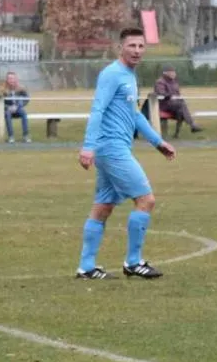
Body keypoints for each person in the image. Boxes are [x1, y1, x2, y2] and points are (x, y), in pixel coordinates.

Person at [75, 27, 176, 281]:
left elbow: (134, 114)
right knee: (146, 200)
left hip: (114, 147)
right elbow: (97, 109)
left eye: (141, 46)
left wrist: (157, 142)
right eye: (132, 45)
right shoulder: (112, 74)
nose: (137, 51)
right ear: (120, 47)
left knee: (103, 206)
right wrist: (88, 146)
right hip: (111, 148)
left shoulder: (130, 76)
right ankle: (133, 262)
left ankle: (86, 267)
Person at [151, 65, 201, 136]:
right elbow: (161, 93)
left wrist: (179, 97)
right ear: (165, 73)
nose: (174, 74)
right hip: (164, 104)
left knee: (180, 110)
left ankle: (177, 134)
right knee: (181, 104)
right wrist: (171, 96)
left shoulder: (174, 82)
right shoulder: (160, 82)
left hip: (175, 104)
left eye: (174, 72)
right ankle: (192, 124)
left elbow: (178, 93)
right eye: (171, 72)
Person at [1, 72, 31, 143]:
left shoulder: (21, 88)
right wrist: (7, 107)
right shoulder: (3, 89)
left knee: (24, 113)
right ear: (7, 80)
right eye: (9, 78)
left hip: (18, 108)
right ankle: (11, 136)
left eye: (12, 78)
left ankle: (26, 136)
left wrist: (20, 105)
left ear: (15, 79)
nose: (11, 80)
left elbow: (27, 98)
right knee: (7, 114)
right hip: (8, 109)